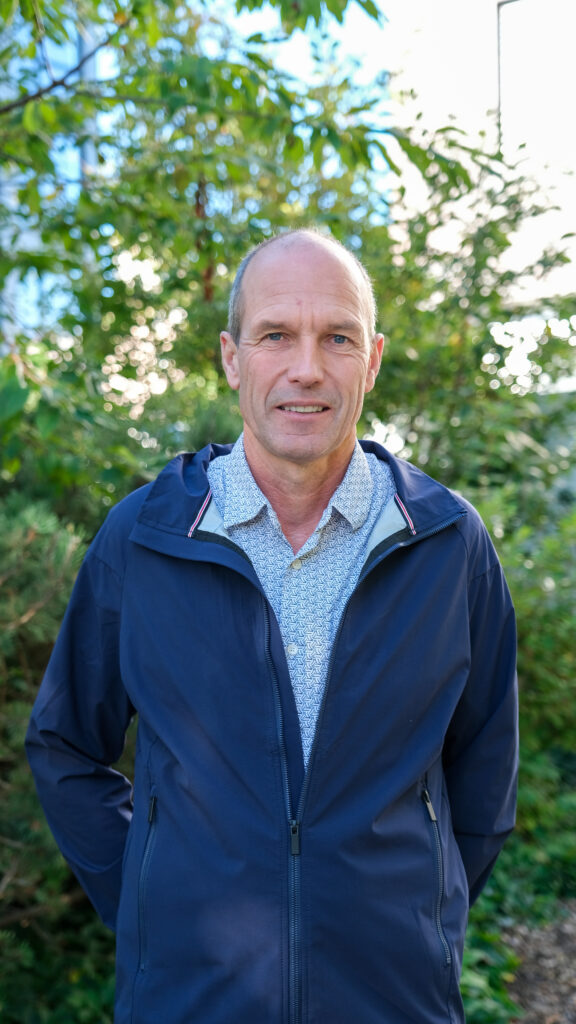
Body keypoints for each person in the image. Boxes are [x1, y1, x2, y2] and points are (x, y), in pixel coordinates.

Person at [26, 228, 518, 1024]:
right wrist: (153, 908)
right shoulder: (145, 539)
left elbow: (484, 778)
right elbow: (64, 746)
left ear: (373, 360)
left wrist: (417, 925)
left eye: (338, 338)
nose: (307, 368)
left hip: (393, 1000)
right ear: (232, 358)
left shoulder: (447, 543)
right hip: (189, 1000)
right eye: (276, 335)